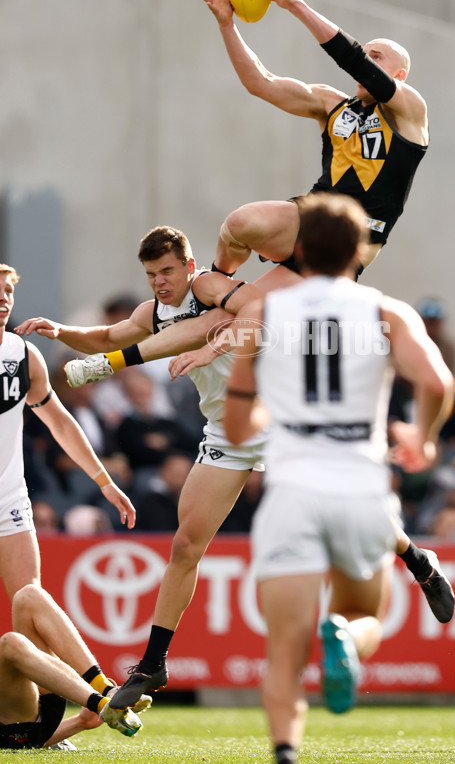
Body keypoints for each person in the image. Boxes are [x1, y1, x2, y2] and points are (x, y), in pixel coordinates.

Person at [16, 227, 299, 708]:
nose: (160, 283)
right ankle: (153, 663)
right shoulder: (153, 312)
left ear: (189, 267)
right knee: (186, 544)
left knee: (343, 506)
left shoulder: (209, 286)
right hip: (225, 430)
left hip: (278, 414)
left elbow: (259, 310)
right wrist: (62, 332)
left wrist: (209, 347)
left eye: (167, 271)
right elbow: (107, 335)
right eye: (151, 275)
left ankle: (417, 560)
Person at [221, 193, 454, 764]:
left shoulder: (264, 315)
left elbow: (236, 422)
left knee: (284, 651)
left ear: (298, 249)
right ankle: (347, 640)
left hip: (293, 490)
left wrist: (272, 412)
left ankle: (284, 752)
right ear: (360, 251)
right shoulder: (385, 311)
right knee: (363, 612)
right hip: (360, 486)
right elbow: (438, 382)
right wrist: (421, 438)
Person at [198, 0, 428, 277]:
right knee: (237, 241)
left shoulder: (410, 110)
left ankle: (213, 291)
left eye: (377, 57)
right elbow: (262, 83)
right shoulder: (330, 103)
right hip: (310, 219)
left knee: (256, 311)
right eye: (367, 55)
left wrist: (294, 4)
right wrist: (227, 25)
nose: (367, 61)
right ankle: (211, 288)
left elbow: (353, 60)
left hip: (352, 240)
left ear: (400, 75)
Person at [0, 264, 135, 602]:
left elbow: (60, 423)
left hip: (9, 501)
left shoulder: (24, 355)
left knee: (30, 600)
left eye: (9, 291)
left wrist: (104, 481)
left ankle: (77, 660)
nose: (5, 299)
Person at [0, 582, 148, 749]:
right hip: (14, 729)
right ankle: (102, 705)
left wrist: (80, 722)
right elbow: (35, 738)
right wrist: (78, 723)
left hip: (39, 707)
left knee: (29, 595)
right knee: (12, 643)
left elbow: (41, 734)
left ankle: (105, 688)